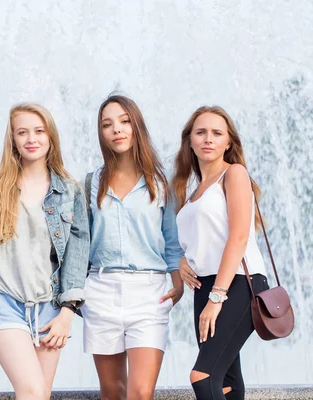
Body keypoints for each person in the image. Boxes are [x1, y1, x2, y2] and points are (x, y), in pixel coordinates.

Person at [0, 103, 90, 400]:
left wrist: (68, 312)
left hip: (50, 307)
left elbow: (76, 257)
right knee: (30, 390)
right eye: (22, 132)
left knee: (40, 395)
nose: (31, 138)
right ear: (13, 139)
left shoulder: (70, 192)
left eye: (39, 131)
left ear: (50, 137)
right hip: (1, 298)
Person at [82, 95, 184, 400]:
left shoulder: (161, 183)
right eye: (107, 124)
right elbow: (81, 242)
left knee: (141, 393)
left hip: (149, 293)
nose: (117, 130)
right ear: (101, 133)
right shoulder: (90, 183)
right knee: (112, 392)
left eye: (124, 121)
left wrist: (177, 283)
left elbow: (173, 241)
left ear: (136, 125)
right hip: (100, 289)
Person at [172, 106, 269, 400]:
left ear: (229, 142)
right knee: (226, 380)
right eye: (200, 132)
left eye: (217, 133)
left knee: (202, 376)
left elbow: (239, 237)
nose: (208, 139)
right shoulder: (192, 191)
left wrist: (217, 297)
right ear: (189, 141)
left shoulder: (235, 174)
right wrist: (181, 259)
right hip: (206, 286)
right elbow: (199, 240)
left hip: (238, 284)